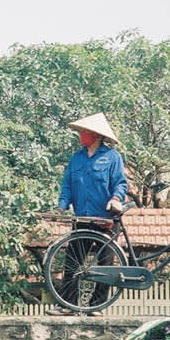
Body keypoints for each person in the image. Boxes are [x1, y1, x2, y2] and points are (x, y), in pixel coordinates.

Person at [52, 112, 128, 314]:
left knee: (105, 265)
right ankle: (68, 305)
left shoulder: (112, 157)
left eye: (85, 132)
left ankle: (97, 306)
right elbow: (67, 185)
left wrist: (115, 200)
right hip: (82, 218)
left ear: (95, 134)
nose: (81, 135)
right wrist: (61, 205)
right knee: (72, 262)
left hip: (105, 217)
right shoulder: (76, 159)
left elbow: (120, 183)